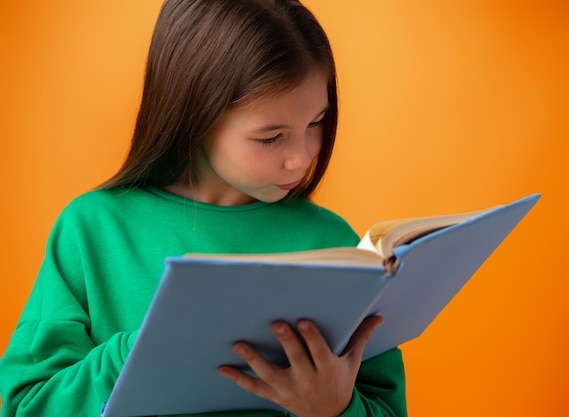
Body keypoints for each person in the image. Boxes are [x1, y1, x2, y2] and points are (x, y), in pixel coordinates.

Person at [0, 0, 407, 416]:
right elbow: (28, 406)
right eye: (271, 137)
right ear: (193, 115)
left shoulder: (335, 244)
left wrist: (336, 408)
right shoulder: (92, 231)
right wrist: (137, 352)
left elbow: (388, 408)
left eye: (316, 123)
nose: (301, 159)